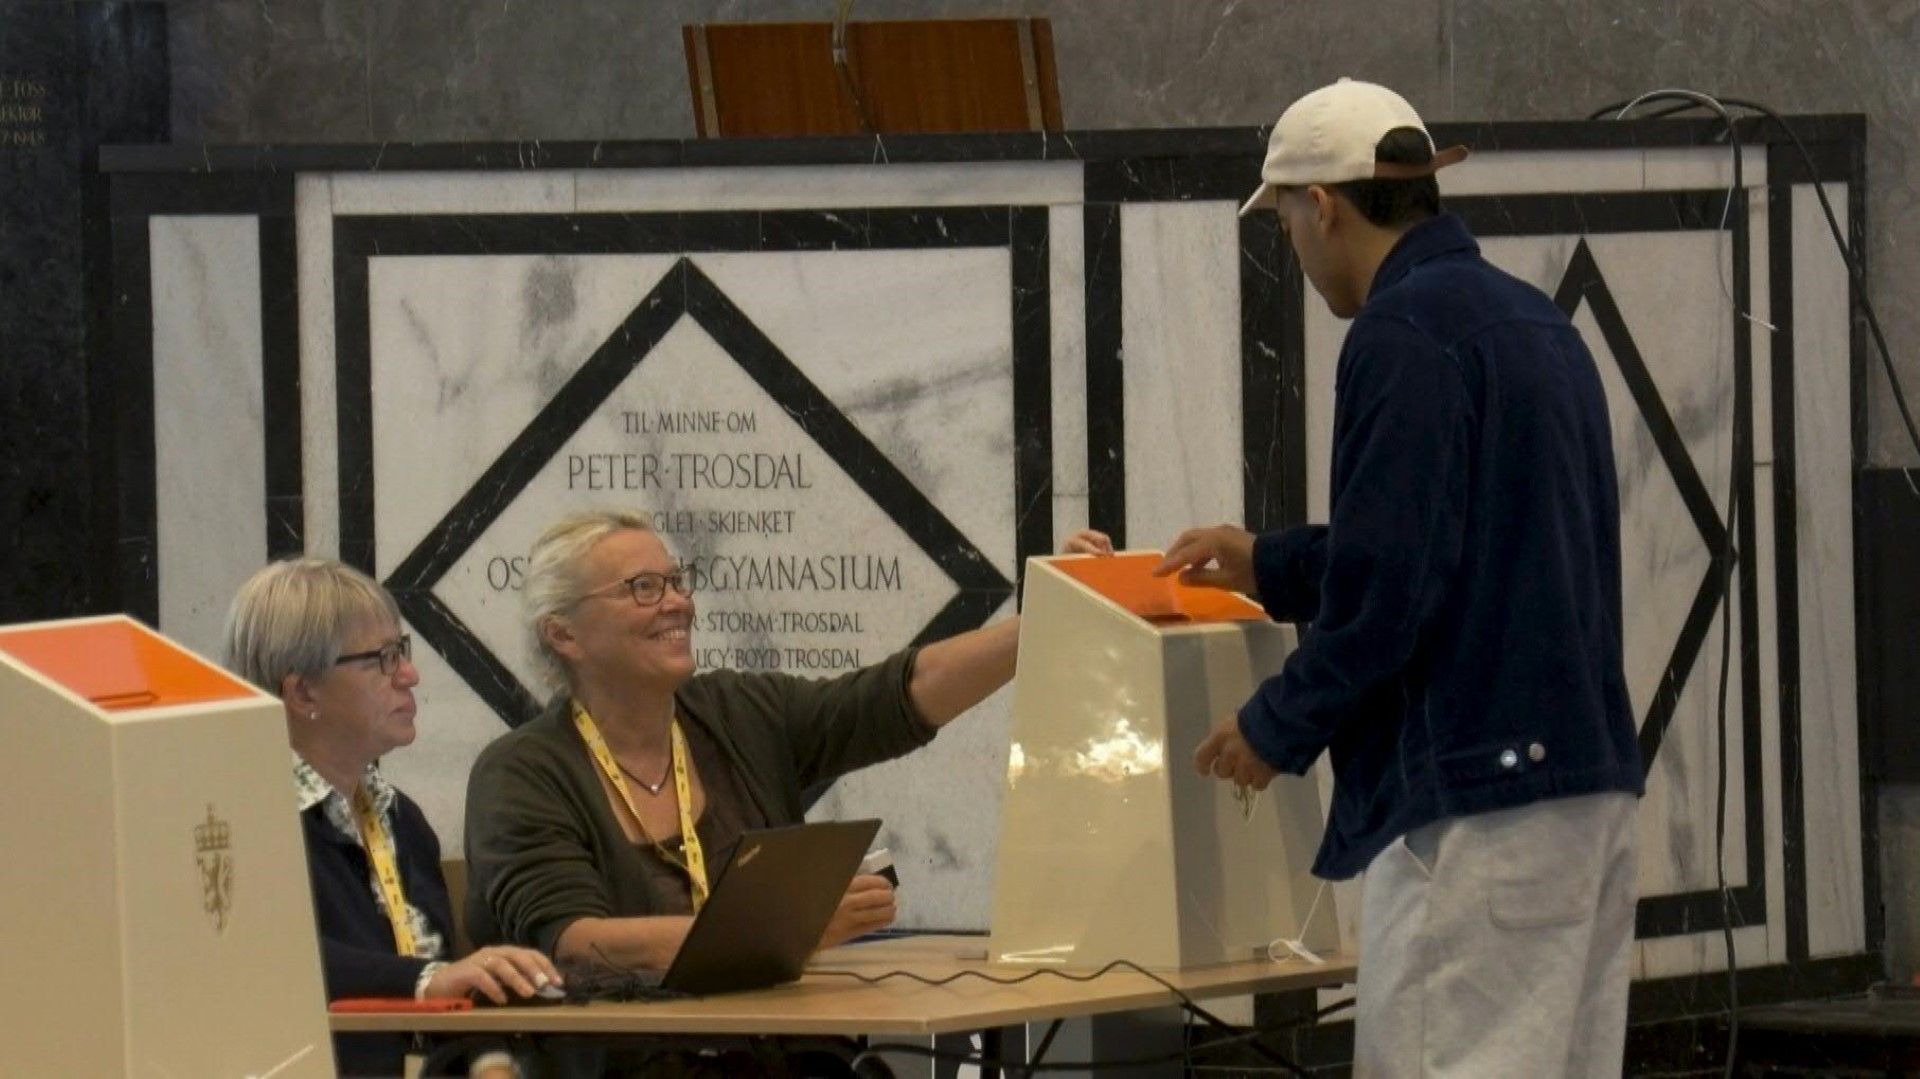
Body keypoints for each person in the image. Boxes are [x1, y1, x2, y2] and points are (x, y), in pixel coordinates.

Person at [1155, 79, 1643, 1076]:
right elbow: (1467, 545)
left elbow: (1394, 586)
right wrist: (1269, 560)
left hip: (1477, 804)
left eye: (1285, 222)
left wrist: (1275, 723)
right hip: (1588, 790)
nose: (1294, 247)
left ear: (1321, 205)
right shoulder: (1535, 323)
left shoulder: (1401, 332)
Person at [464, 510, 1108, 972]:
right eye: (642, 588)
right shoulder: (522, 772)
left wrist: (1045, 620)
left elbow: (893, 698)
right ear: (563, 634)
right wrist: (786, 929)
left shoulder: (738, 713)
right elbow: (576, 944)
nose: (677, 603)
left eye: (677, 581)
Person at [223, 558, 563, 1078]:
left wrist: (491, 1061)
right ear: (304, 691)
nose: (410, 674)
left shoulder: (401, 818)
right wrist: (425, 982)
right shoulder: (239, 818)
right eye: (382, 659)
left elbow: (445, 979)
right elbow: (263, 956)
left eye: (401, 651)